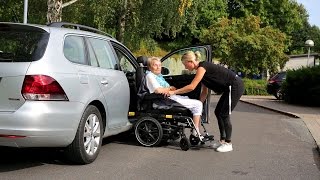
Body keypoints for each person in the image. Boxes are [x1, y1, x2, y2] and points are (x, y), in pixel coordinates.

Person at [169, 51, 244, 152]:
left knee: (224, 114)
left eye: (185, 64)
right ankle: (222, 141)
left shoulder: (202, 67)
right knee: (218, 112)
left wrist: (174, 92)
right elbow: (204, 92)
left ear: (190, 61)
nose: (185, 67)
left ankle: (228, 143)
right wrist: (198, 106)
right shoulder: (201, 71)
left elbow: (191, 87)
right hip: (228, 88)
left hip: (234, 85)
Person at [145, 57, 204, 140]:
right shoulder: (150, 75)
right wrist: (169, 89)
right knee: (198, 104)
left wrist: (170, 88)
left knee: (195, 103)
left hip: (169, 97)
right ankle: (195, 132)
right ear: (150, 67)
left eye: (160, 65)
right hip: (162, 101)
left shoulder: (158, 76)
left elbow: (167, 88)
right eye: (155, 65)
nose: (158, 67)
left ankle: (195, 130)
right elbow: (158, 90)